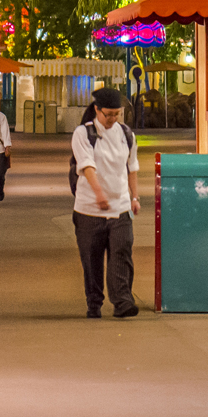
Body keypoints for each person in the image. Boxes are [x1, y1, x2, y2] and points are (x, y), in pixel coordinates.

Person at [71, 87, 140, 318]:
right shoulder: (83, 134)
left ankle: (122, 302)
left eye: (116, 114)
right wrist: (99, 193)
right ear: (96, 110)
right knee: (92, 260)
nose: (112, 119)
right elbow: (87, 166)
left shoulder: (126, 134)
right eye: (107, 114)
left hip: (120, 207)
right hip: (89, 209)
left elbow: (132, 167)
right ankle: (94, 303)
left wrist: (134, 197)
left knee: (121, 252)